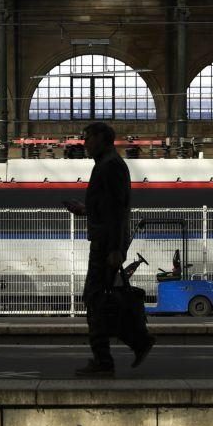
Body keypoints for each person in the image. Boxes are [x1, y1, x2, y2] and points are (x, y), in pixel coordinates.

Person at [64, 122, 155, 377]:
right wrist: (85, 209)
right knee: (102, 300)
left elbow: (117, 211)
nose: (84, 143)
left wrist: (115, 248)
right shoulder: (106, 165)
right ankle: (135, 342)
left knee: (94, 299)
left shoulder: (110, 166)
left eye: (88, 138)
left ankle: (105, 360)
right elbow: (107, 207)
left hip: (106, 245)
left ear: (103, 138)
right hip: (105, 241)